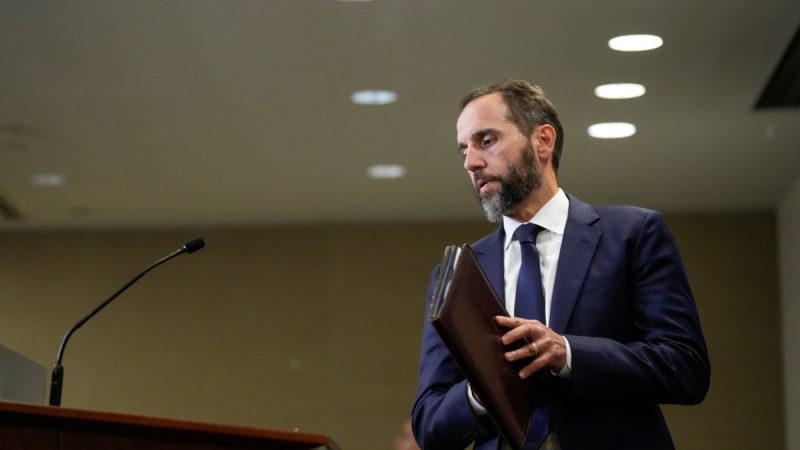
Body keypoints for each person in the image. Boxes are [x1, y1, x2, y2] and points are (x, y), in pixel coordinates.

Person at [411, 80, 710, 450]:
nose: (471, 163)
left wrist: (567, 353)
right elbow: (429, 425)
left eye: (486, 141)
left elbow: (686, 367)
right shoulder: (458, 276)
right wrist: (480, 392)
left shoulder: (633, 234)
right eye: (464, 150)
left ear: (543, 141)